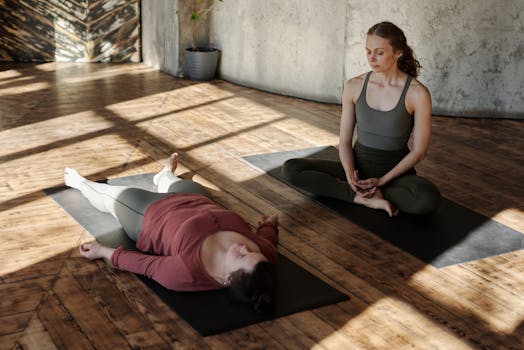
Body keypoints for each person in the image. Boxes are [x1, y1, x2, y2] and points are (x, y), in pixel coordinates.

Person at [65, 153, 279, 312]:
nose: (245, 247)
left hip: (147, 214)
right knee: (179, 184)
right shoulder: (263, 256)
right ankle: (164, 175)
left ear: (229, 279)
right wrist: (269, 225)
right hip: (196, 198)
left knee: (106, 195)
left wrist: (102, 251)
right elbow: (266, 240)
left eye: (242, 255)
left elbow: (146, 266)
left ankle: (79, 183)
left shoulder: (185, 274)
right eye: (251, 250)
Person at [283, 21, 441, 217]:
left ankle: (377, 192)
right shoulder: (354, 86)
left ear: (398, 52)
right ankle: (359, 196)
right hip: (358, 168)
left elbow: (419, 151)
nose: (371, 58)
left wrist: (382, 181)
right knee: (292, 168)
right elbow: (345, 140)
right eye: (368, 52)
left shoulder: (417, 93)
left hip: (395, 175)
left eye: (379, 53)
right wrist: (350, 175)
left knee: (426, 199)